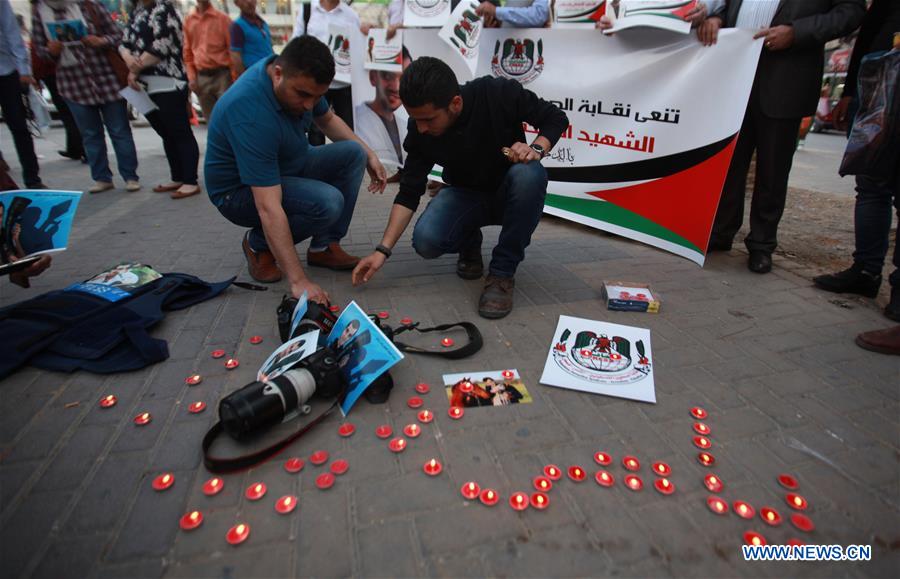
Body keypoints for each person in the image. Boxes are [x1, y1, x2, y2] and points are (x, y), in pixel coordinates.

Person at [352, 57, 568, 319]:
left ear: (455, 104)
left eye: (429, 119)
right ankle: (469, 240)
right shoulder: (419, 130)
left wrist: (535, 148)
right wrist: (382, 251)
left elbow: (555, 118)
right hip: (465, 196)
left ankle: (502, 273)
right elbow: (409, 192)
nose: (421, 127)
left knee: (529, 174)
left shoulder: (497, 93)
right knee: (426, 241)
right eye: (414, 119)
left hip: (509, 196)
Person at [204, 35, 387, 303]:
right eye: (303, 95)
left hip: (288, 163)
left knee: (353, 153)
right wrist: (299, 281)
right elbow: (268, 206)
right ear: (277, 74)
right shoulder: (250, 112)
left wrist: (370, 154)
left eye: (317, 96)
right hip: (238, 192)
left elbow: (328, 120)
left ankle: (324, 247)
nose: (309, 105)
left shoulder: (299, 79)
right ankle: (257, 244)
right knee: (327, 202)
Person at [701, 0, 865, 274]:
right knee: (728, 163)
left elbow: (851, 12)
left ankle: (762, 244)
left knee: (773, 170)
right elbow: (723, 5)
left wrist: (796, 32)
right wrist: (717, 18)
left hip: (785, 78)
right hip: (733, 76)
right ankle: (720, 232)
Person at [812, 0, 900, 354]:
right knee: (870, 183)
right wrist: (849, 91)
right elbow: (869, 29)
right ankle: (865, 271)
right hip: (881, 88)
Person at [32, 0, 140, 194]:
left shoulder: (90, 5)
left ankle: (130, 176)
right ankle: (101, 177)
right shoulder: (40, 12)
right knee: (90, 134)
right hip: (73, 83)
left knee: (119, 130)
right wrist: (51, 51)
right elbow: (39, 50)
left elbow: (118, 35)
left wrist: (101, 41)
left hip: (107, 79)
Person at [121, 0, 201, 199]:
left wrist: (136, 66)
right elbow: (124, 43)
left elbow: (163, 43)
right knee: (165, 132)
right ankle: (177, 176)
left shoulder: (165, 9)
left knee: (179, 130)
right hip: (142, 83)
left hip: (168, 80)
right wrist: (131, 63)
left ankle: (190, 180)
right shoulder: (136, 11)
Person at [292, 0, 364, 143]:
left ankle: (346, 161)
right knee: (315, 131)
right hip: (314, 84)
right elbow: (296, 44)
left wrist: (366, 33)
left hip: (343, 84)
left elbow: (358, 47)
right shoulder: (307, 10)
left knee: (346, 130)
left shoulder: (351, 15)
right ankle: (316, 164)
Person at [0, 0, 46, 189]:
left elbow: (11, 31)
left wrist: (24, 70)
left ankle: (33, 179)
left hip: (5, 70)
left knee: (19, 126)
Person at [353, 47, 411, 180]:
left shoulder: (406, 125)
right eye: (387, 76)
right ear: (373, 77)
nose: (396, 87)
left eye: (405, 78)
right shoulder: (356, 122)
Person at [183, 0, 233, 123]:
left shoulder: (223, 20)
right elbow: (187, 53)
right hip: (202, 77)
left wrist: (234, 78)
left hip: (223, 76)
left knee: (229, 118)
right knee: (211, 123)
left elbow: (232, 51)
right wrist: (192, 78)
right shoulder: (189, 21)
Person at [230, 0, 273, 77]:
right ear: (236, 3)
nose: (249, 2)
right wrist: (246, 79)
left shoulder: (263, 24)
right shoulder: (237, 26)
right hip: (254, 77)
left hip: (269, 74)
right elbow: (235, 56)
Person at [475, 0, 549, 28]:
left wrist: (496, 11)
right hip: (490, 51)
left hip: (524, 49)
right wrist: (485, 25)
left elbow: (539, 15)